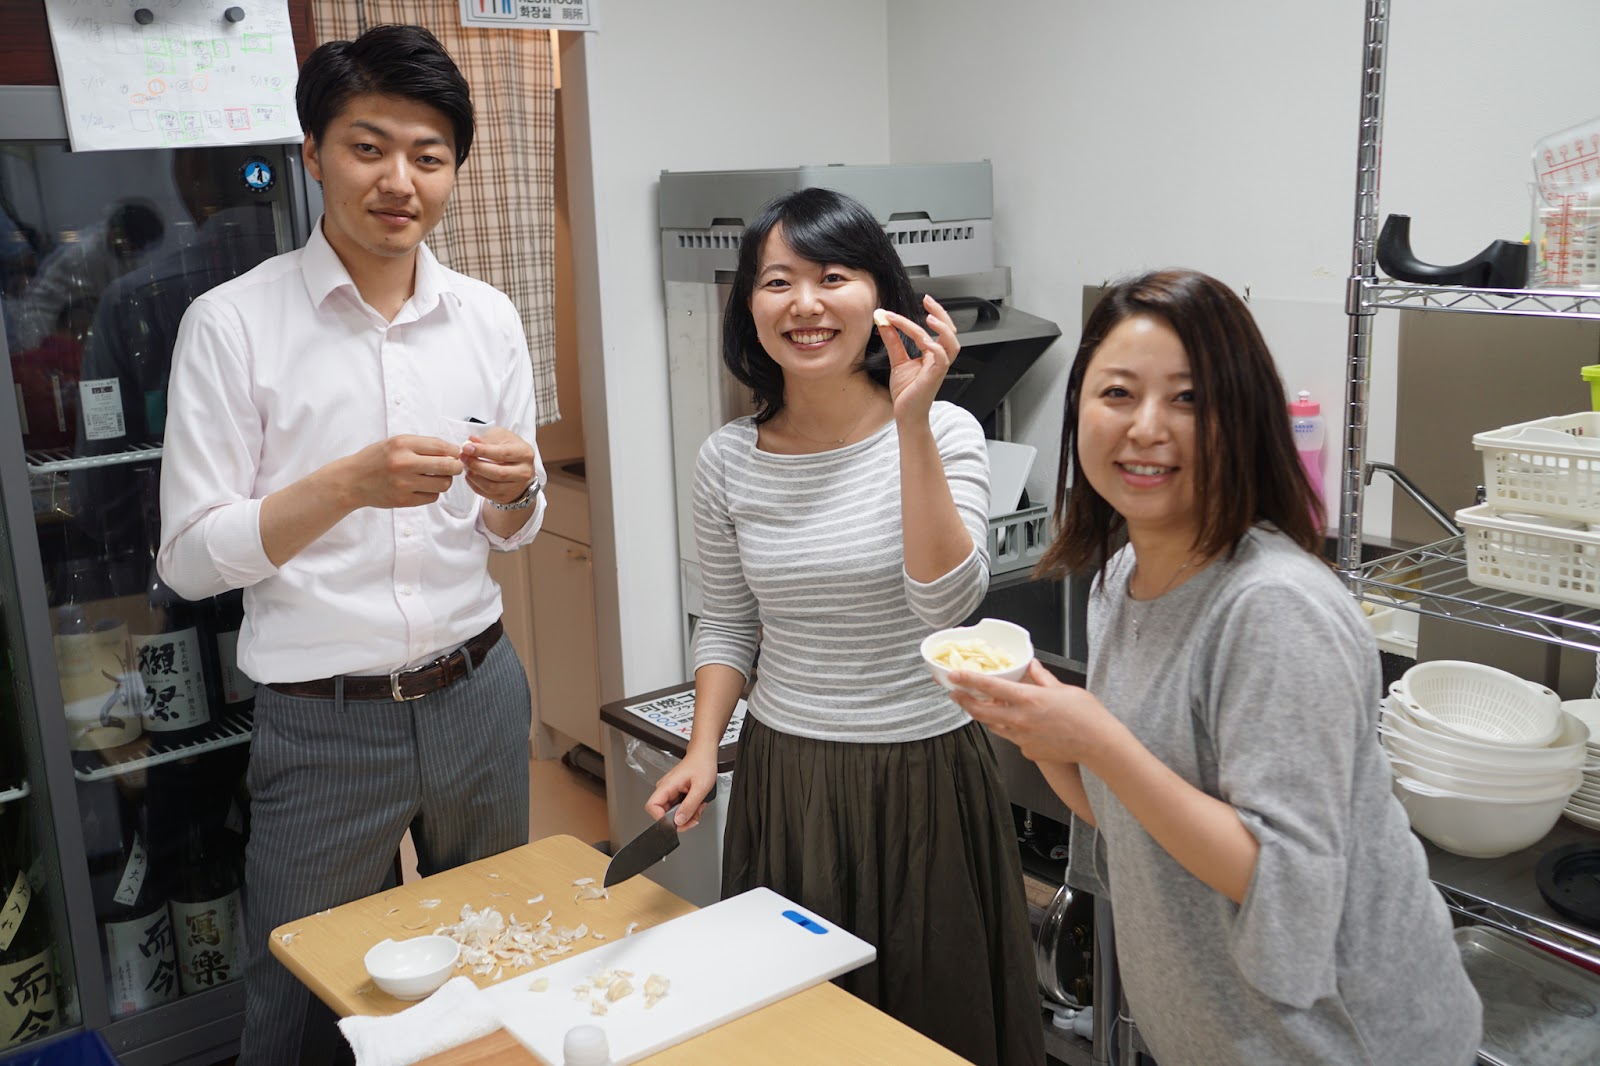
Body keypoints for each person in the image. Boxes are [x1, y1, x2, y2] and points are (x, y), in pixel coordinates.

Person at [950, 269, 1482, 1064]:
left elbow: (1284, 879)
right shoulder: (1120, 580)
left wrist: (1096, 738)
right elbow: (1126, 816)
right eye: (1118, 393)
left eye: (1189, 399)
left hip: (1342, 1041)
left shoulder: (1275, 609)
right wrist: (1040, 731)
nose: (1147, 427)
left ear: (1242, 417)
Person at [156, 25, 546, 1065]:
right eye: (368, 147)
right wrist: (344, 487)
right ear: (314, 154)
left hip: (478, 691)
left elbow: (509, 529)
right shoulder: (231, 324)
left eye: (428, 155)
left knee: (492, 959)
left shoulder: (488, 319)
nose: (398, 181)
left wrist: (517, 490)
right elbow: (186, 558)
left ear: (454, 171)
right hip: (323, 720)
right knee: (299, 999)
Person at [645, 187, 1044, 1066]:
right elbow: (729, 622)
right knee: (798, 1028)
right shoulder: (727, 460)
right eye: (777, 281)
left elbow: (947, 606)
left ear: (879, 295)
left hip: (925, 775)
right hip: (788, 779)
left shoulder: (946, 429)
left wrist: (911, 425)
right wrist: (705, 749)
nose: (806, 304)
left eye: (833, 277)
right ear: (749, 307)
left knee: (931, 1024)